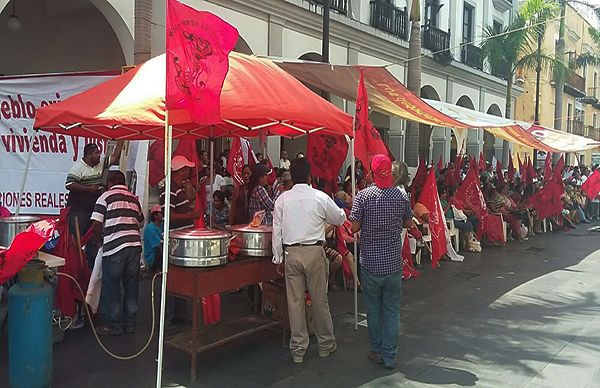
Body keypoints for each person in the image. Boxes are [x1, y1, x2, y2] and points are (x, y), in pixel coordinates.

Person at [272, 157, 346, 364]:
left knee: (294, 303)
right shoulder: (319, 197)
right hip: (314, 252)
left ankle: (298, 350)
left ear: (291, 177)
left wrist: (278, 257)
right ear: (309, 176)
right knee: (319, 300)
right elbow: (339, 218)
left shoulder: (282, 200)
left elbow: (276, 232)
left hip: (291, 254)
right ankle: (325, 345)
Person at [349, 154, 413, 370]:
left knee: (374, 309)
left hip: (370, 263)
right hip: (393, 263)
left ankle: (376, 350)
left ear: (372, 171)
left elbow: (354, 228)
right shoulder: (401, 196)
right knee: (392, 310)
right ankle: (390, 355)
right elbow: (408, 222)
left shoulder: (363, 196)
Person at [91, 171, 144, 336]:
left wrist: (99, 241)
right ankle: (130, 323)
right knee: (131, 286)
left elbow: (96, 223)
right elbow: (140, 222)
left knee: (112, 287)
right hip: (134, 246)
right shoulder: (133, 199)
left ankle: (114, 324)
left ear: (109, 183)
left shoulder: (105, 197)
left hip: (115, 247)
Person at [65, 141, 123, 269]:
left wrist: (121, 139)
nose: (99, 156)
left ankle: (91, 269)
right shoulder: (78, 167)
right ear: (89, 155)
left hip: (93, 211)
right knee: (77, 240)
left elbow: (115, 157)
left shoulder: (101, 163)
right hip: (78, 211)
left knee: (93, 240)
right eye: (97, 153)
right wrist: (88, 189)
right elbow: (69, 185)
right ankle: (77, 268)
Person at [161, 155, 203, 229]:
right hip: (177, 235)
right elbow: (168, 215)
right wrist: (191, 215)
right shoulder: (171, 189)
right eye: (188, 169)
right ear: (182, 170)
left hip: (183, 234)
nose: (189, 172)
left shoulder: (178, 189)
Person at [143, 205, 163, 272]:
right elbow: (158, 246)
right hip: (152, 257)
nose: (163, 214)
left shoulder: (162, 225)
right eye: (161, 212)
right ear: (155, 216)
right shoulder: (150, 228)